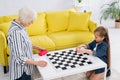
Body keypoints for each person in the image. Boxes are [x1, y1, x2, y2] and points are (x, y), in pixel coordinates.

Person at [7, 7, 47, 80]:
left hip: (26, 69)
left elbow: (23, 44)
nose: (32, 23)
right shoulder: (16, 33)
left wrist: (36, 47)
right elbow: (19, 58)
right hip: (21, 72)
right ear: (24, 19)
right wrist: (37, 63)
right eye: (30, 21)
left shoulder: (21, 26)